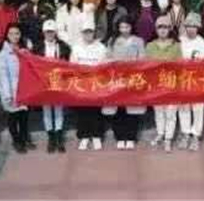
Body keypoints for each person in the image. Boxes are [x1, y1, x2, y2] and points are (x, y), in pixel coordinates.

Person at [107, 16, 146, 150]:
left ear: (131, 27)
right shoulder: (113, 40)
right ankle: (119, 136)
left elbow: (142, 59)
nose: (124, 30)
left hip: (133, 79)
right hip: (117, 79)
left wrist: (132, 66)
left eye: (127, 27)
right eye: (122, 27)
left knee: (133, 109)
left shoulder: (138, 41)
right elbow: (108, 58)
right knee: (119, 109)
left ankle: (131, 137)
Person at [33, 20, 71, 153]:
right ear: (43, 33)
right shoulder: (37, 47)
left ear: (55, 32)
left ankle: (59, 135)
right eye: (47, 32)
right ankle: (51, 137)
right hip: (43, 82)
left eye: (52, 32)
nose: (49, 34)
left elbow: (69, 63)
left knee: (59, 109)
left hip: (58, 81)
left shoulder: (63, 46)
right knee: (47, 110)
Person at [145, 15, 181, 153]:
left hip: (172, 83)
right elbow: (145, 65)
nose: (163, 30)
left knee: (171, 113)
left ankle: (168, 138)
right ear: (156, 29)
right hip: (156, 84)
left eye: (165, 27)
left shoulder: (176, 46)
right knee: (159, 111)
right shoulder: (150, 46)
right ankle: (160, 133)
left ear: (170, 29)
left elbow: (180, 65)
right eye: (160, 27)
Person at [71, 20, 108, 151]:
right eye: (86, 32)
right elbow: (72, 65)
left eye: (90, 32)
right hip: (81, 84)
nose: (88, 35)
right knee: (82, 111)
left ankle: (97, 135)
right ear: (82, 33)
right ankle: (84, 136)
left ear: (94, 33)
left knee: (96, 111)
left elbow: (105, 66)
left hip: (96, 84)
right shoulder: (76, 47)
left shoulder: (101, 47)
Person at [0, 23, 34, 153]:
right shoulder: (3, 54)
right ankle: (16, 140)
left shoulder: (24, 51)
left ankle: (24, 138)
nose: (14, 36)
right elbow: (3, 76)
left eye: (17, 33)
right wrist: (8, 95)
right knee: (13, 118)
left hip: (24, 90)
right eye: (11, 33)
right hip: (11, 91)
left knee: (24, 117)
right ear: (7, 35)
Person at [178, 13, 204, 151]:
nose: (191, 28)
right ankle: (185, 133)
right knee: (184, 107)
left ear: (198, 27)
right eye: (189, 26)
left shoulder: (202, 42)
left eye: (194, 26)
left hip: (198, 80)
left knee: (198, 108)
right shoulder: (180, 40)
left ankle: (196, 135)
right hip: (183, 80)